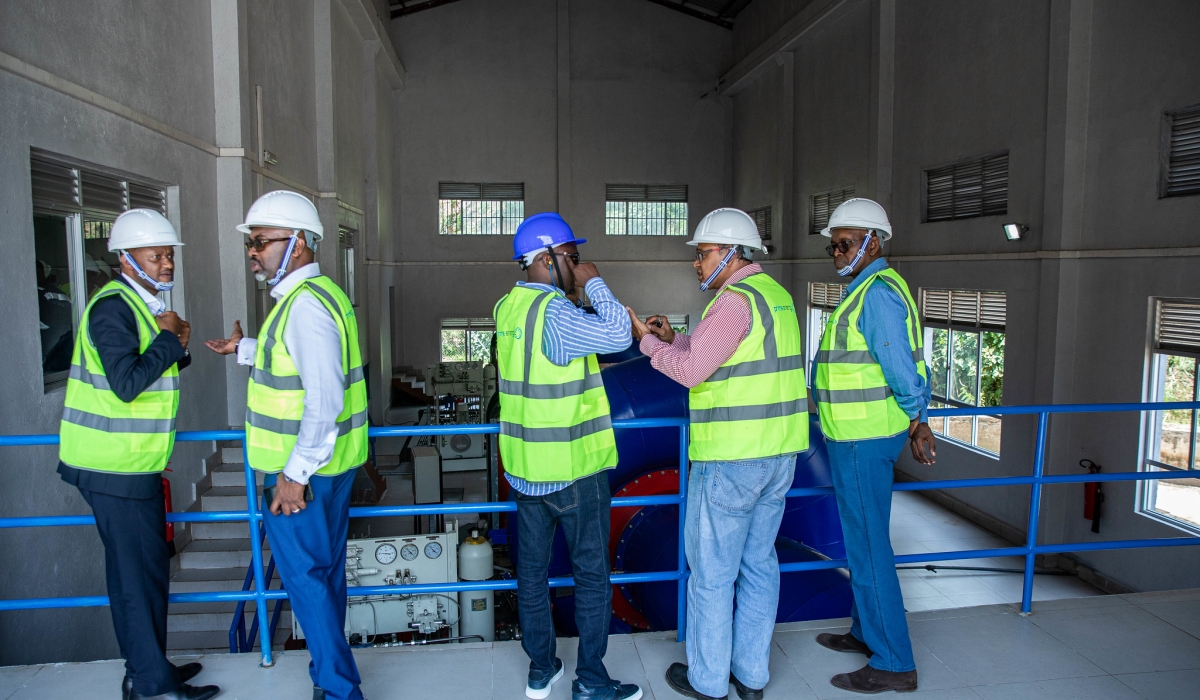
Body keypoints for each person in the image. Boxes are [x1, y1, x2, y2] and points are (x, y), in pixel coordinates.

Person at [628, 208, 808, 700]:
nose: (697, 263)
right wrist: (675, 339)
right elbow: (726, 356)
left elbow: (692, 373)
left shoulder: (732, 303)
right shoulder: (776, 297)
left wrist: (646, 343)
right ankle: (751, 677)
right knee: (758, 566)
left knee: (711, 575)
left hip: (732, 458)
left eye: (703, 253)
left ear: (731, 254)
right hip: (778, 456)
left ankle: (708, 682)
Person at [206, 190, 368, 700]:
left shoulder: (303, 309)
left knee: (306, 582)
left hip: (304, 477)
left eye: (260, 242)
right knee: (324, 579)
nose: (253, 252)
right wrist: (246, 349)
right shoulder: (320, 297)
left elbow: (324, 398)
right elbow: (296, 362)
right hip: (333, 468)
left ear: (297, 244)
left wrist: (293, 476)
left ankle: (341, 691)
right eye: (251, 244)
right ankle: (328, 680)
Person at [56, 209, 218, 700]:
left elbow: (146, 370)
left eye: (169, 254)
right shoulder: (114, 306)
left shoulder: (139, 304)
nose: (167, 263)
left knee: (144, 573)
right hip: (112, 467)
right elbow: (126, 384)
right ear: (127, 259)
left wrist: (177, 345)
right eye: (156, 254)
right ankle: (149, 680)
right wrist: (171, 339)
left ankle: (147, 668)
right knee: (137, 577)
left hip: (130, 465)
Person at [494, 212, 641, 700]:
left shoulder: (508, 309)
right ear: (545, 259)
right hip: (573, 472)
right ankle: (591, 683)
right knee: (593, 578)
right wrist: (595, 283)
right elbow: (620, 335)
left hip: (526, 471)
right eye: (571, 258)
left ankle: (541, 670)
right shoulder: (556, 315)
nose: (578, 265)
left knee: (532, 577)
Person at [811, 198, 936, 694]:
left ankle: (893, 661)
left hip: (865, 439)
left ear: (873, 242)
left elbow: (901, 367)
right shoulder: (863, 290)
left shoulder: (877, 295)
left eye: (845, 244)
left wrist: (918, 419)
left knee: (868, 549)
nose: (837, 252)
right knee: (861, 542)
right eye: (832, 245)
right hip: (852, 437)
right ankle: (867, 631)